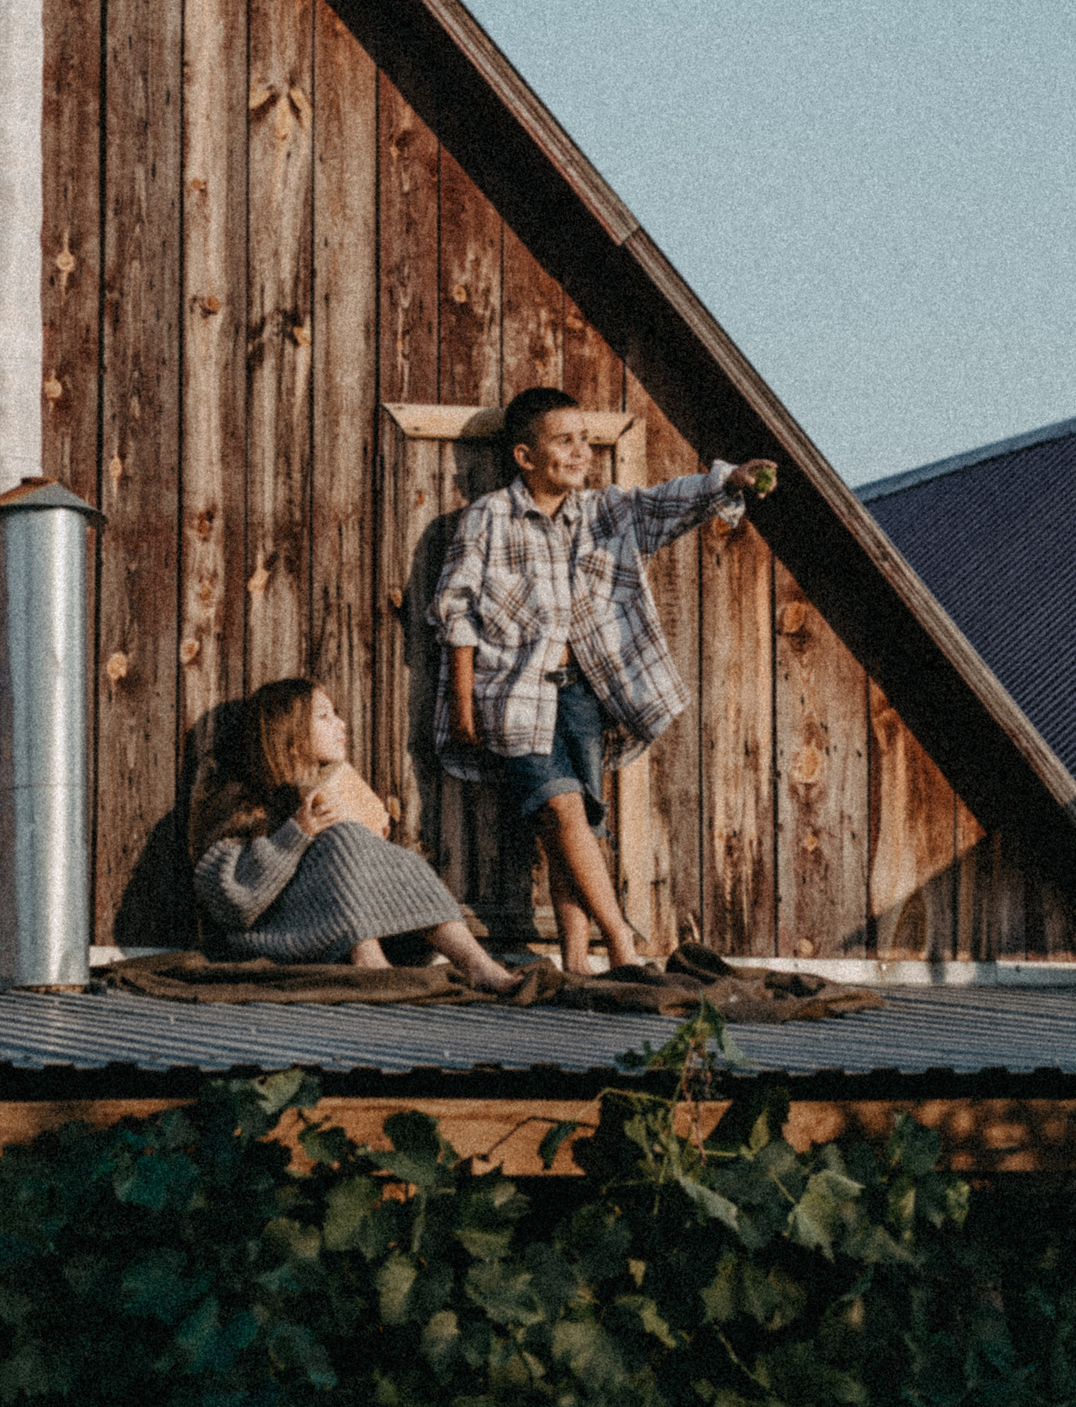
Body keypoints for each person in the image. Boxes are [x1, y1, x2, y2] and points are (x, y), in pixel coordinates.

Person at [434, 386, 777, 974]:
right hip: (515, 697)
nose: (579, 452)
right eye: (563, 441)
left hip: (583, 695)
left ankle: (574, 959)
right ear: (524, 455)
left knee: (574, 828)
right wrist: (463, 709)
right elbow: (456, 613)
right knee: (565, 810)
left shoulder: (604, 512)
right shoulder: (487, 518)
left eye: (585, 441)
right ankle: (621, 941)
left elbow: (664, 502)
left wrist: (729, 483)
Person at [189, 677, 523, 992]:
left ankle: (478, 964)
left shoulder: (335, 790)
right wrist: (296, 834)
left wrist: (373, 844)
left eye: (336, 714)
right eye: (324, 716)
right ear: (291, 739)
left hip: (357, 934)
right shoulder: (246, 801)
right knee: (341, 837)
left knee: (386, 850)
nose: (341, 724)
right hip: (275, 937)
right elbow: (230, 902)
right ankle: (370, 963)